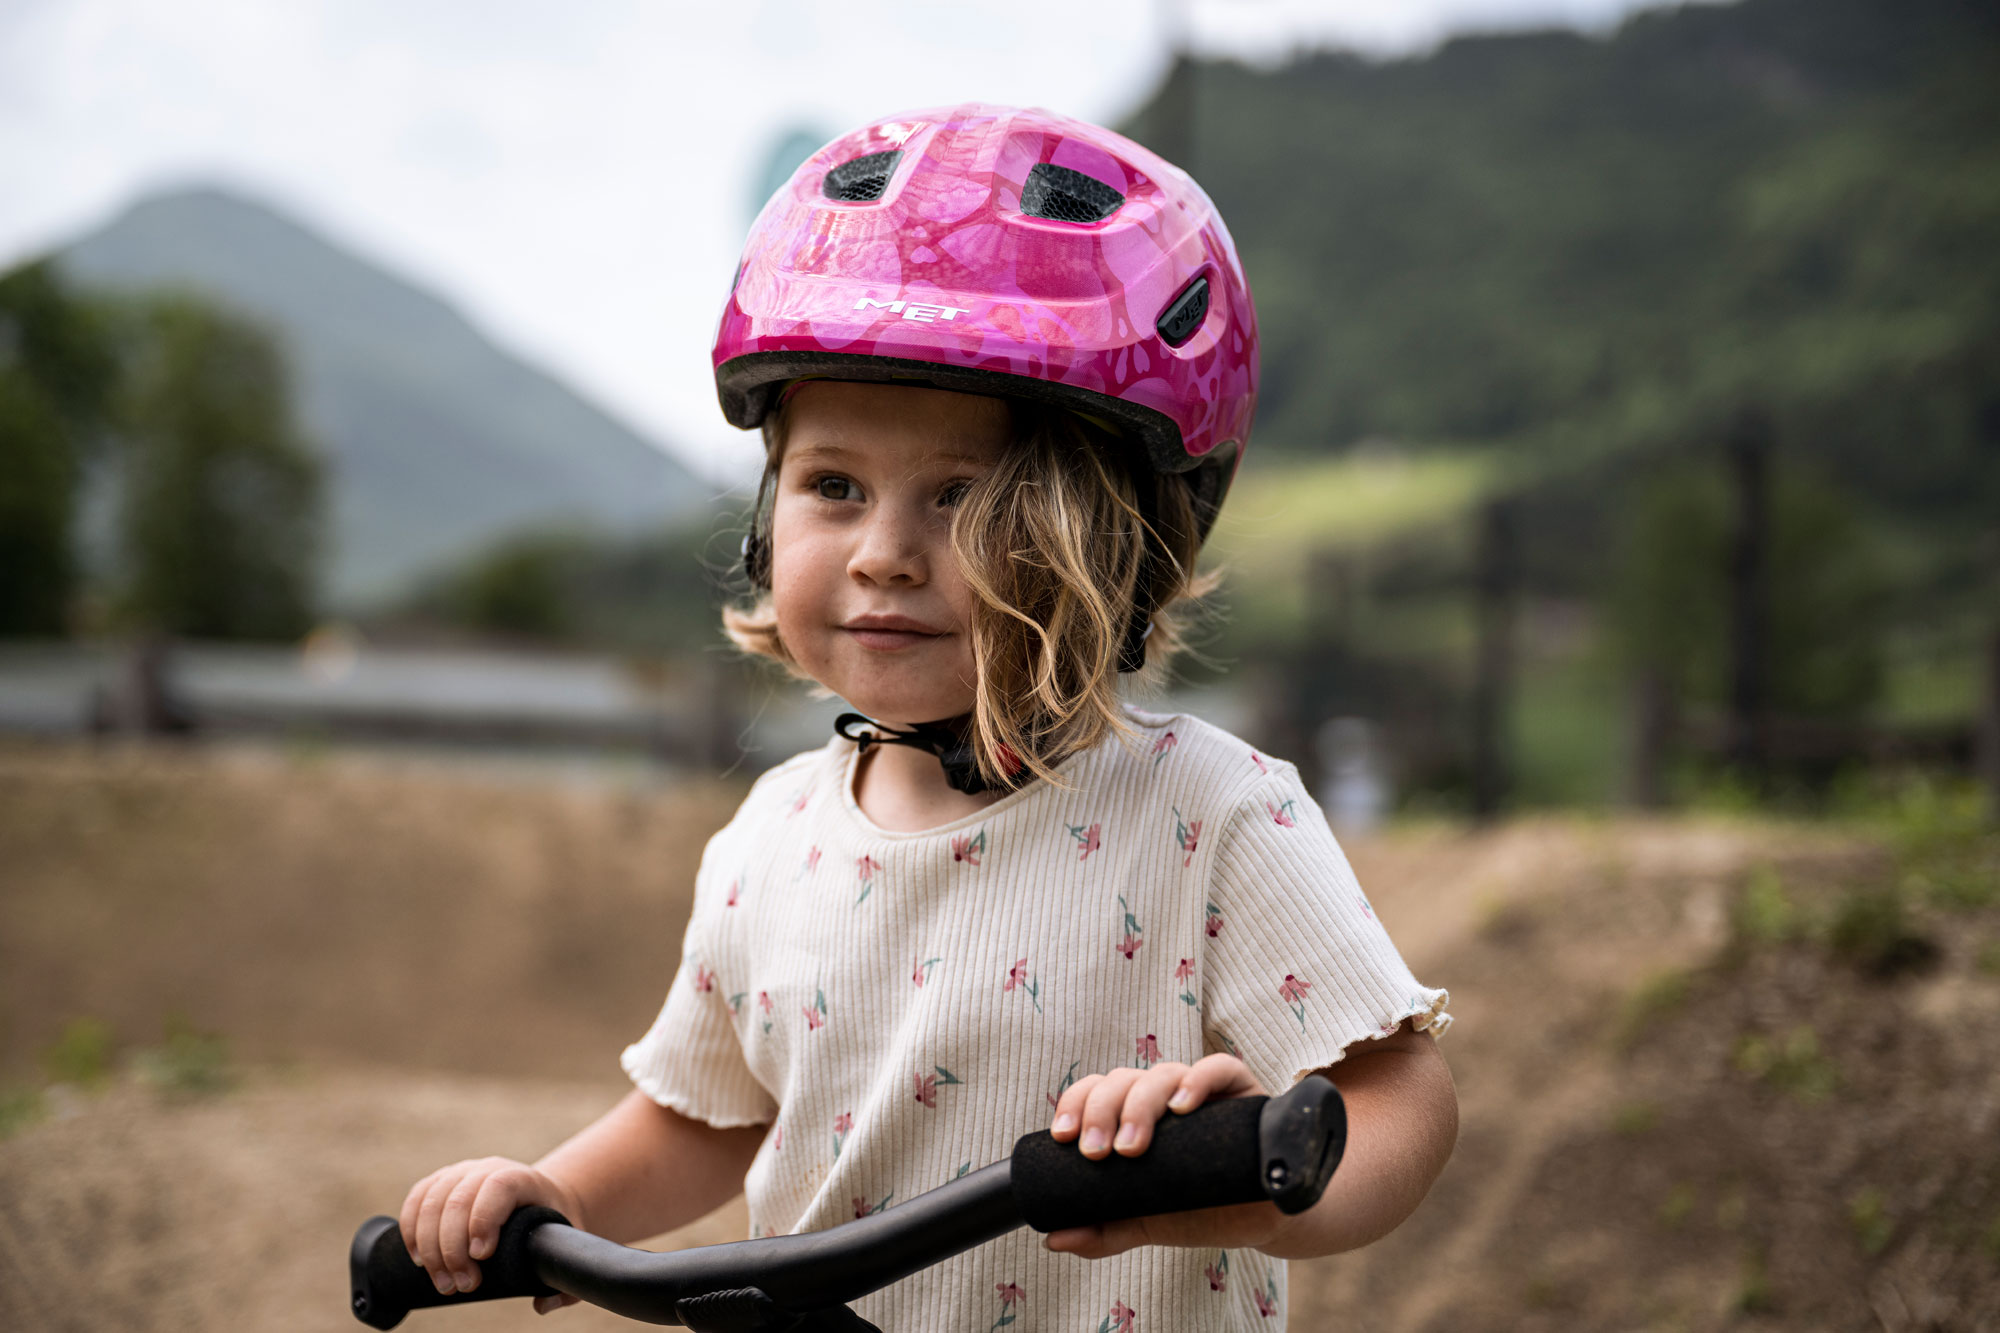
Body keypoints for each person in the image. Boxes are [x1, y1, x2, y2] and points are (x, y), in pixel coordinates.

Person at [397, 104, 1455, 1330]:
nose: (885, 554)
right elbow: (700, 1118)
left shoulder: (1207, 814)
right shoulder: (765, 841)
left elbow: (1394, 1098)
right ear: (763, 514)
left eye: (959, 497)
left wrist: (1252, 1188)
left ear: (1119, 540)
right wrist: (551, 1197)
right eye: (832, 487)